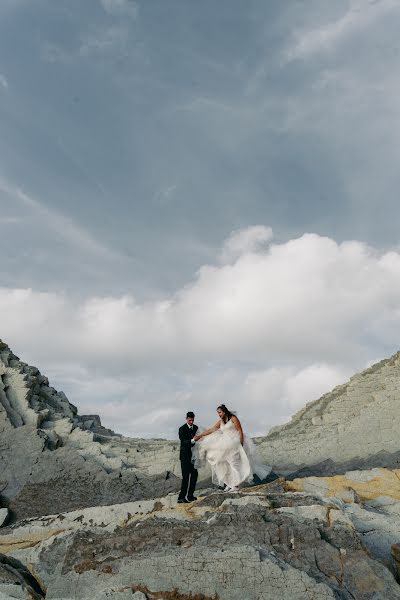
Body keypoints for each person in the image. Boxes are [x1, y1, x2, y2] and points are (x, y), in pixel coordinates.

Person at [193, 404, 270, 492]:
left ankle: (236, 485)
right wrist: (200, 435)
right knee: (225, 464)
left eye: (220, 412)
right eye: (218, 413)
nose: (219, 414)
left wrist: (240, 443)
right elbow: (212, 429)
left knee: (234, 463)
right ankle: (230, 484)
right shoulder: (220, 421)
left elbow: (240, 431)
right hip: (225, 445)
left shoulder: (233, 418)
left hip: (234, 443)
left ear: (224, 411)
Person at [177, 411, 199, 503]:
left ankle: (190, 496)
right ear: (186, 419)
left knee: (194, 475)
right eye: (189, 420)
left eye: (192, 420)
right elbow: (183, 442)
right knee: (185, 477)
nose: (191, 422)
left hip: (193, 457)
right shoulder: (182, 429)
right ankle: (181, 498)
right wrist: (193, 440)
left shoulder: (196, 428)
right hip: (185, 457)